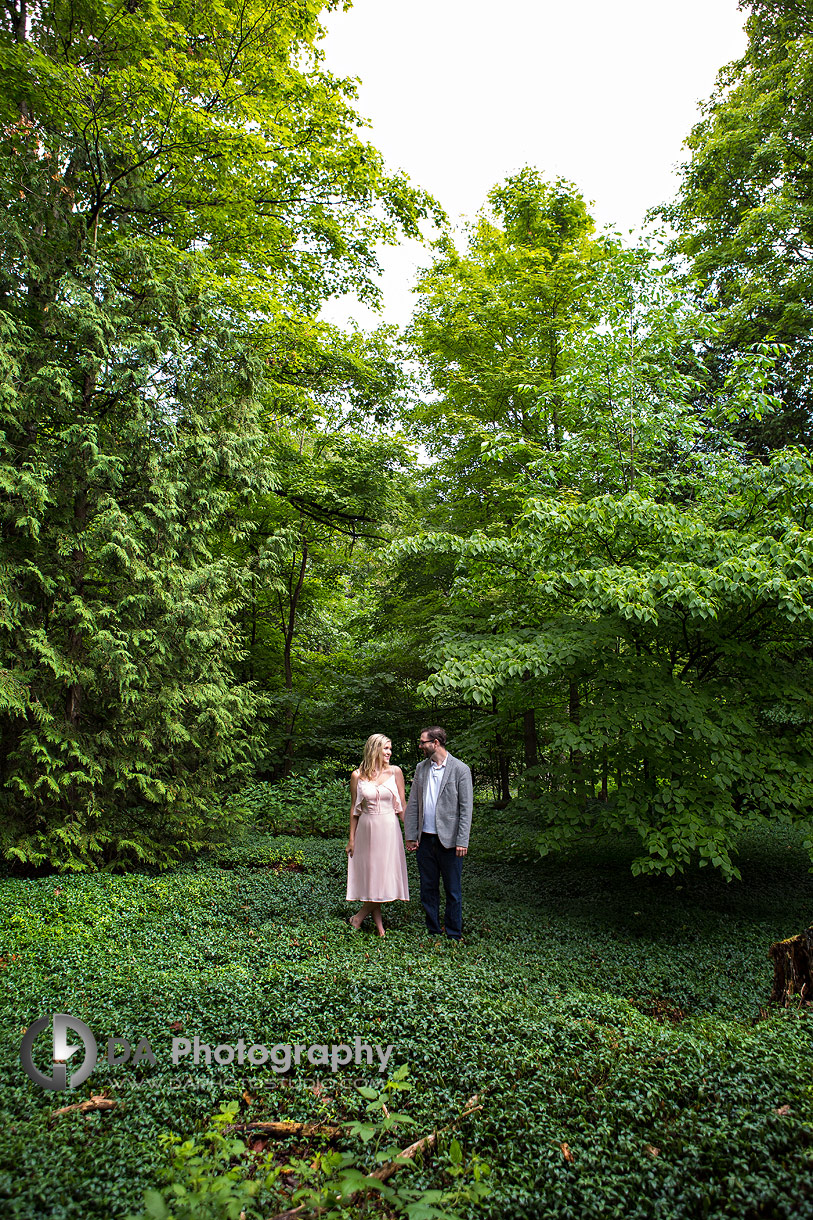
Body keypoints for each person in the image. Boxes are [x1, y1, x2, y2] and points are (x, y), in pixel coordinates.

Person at [404, 726, 472, 941]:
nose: (420, 746)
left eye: (423, 742)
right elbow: (413, 804)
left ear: (435, 743)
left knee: (453, 890)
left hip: (450, 841)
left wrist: (462, 840)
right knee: (428, 887)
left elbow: (466, 808)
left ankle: (454, 933)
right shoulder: (420, 768)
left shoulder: (460, 769)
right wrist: (411, 835)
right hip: (425, 839)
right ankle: (433, 930)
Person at [346, 733, 409, 937]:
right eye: (386, 749)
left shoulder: (396, 772)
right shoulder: (357, 776)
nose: (389, 753)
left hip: (389, 829)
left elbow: (402, 806)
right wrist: (351, 839)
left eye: (390, 749)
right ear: (374, 749)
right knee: (373, 877)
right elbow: (354, 810)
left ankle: (359, 917)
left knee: (384, 877)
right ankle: (379, 928)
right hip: (367, 829)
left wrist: (410, 833)